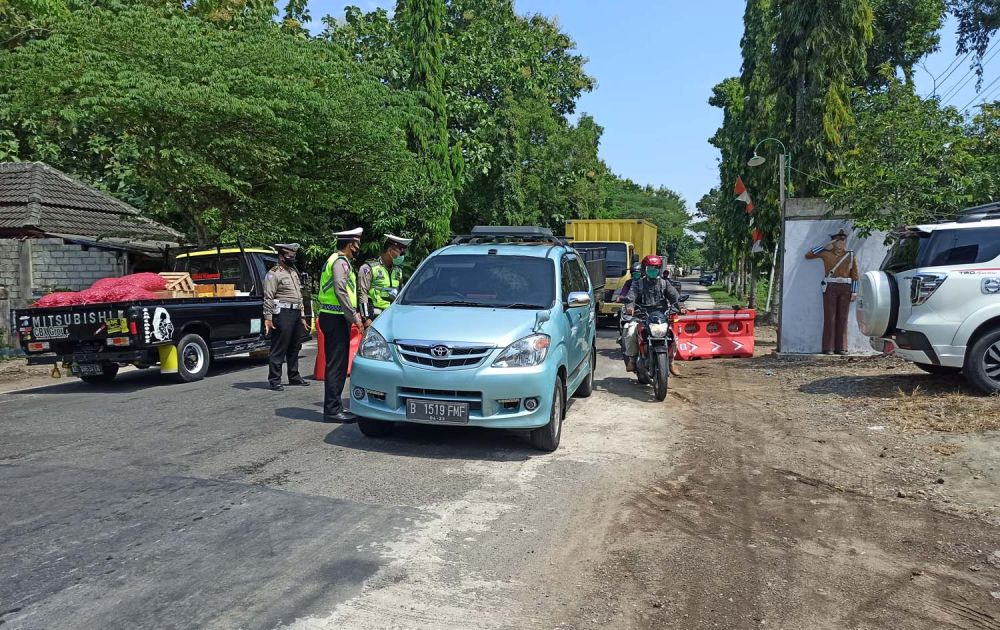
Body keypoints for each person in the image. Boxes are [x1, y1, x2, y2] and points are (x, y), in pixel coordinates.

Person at [318, 228, 364, 423]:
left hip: (334, 316)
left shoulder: (336, 260)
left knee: (337, 364)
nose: (358, 247)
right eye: (357, 243)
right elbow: (340, 289)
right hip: (335, 317)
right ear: (351, 244)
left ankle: (334, 406)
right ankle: (332, 409)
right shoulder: (340, 262)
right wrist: (353, 316)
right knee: (336, 365)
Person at [623, 255, 682, 377]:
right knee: (630, 332)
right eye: (650, 269)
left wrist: (681, 306)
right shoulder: (637, 284)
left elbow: (674, 297)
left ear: (659, 269)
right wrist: (630, 307)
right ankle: (632, 360)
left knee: (673, 336)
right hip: (641, 316)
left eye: (655, 269)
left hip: (661, 317)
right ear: (644, 269)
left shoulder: (665, 284)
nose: (652, 271)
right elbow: (631, 297)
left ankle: (671, 362)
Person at [805, 228, 860, 355]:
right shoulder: (826, 254)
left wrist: (854, 291)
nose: (841, 244)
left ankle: (842, 347)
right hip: (830, 286)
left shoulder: (850, 255)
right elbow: (809, 255)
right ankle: (828, 347)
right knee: (830, 317)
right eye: (838, 241)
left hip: (846, 288)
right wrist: (825, 245)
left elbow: (855, 275)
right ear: (833, 243)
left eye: (843, 241)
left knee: (843, 318)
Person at [263, 243, 309, 391]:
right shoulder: (273, 274)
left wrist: (302, 316)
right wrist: (268, 318)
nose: (292, 258)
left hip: (295, 312)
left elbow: (299, 296)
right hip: (282, 313)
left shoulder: (293, 272)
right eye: (290, 256)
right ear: (281, 257)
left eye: (294, 255)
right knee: (279, 347)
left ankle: (294, 376)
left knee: (295, 346)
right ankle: (275, 379)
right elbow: (268, 297)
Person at [358, 234, 413, 327]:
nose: (401, 256)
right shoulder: (369, 268)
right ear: (390, 251)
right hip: (374, 317)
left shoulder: (398, 271)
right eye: (400, 253)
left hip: (393, 317)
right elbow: (362, 292)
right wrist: (366, 318)